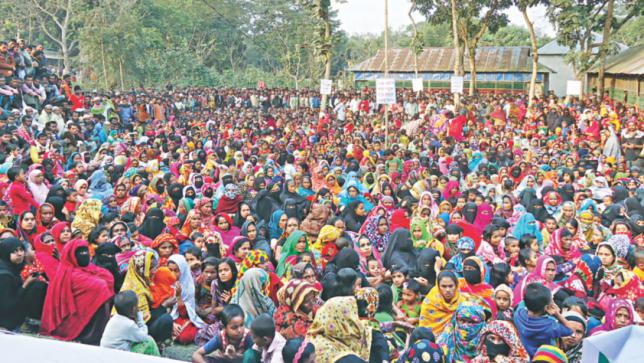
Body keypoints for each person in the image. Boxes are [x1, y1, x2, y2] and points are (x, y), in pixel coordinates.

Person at [40, 239, 114, 344]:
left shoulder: (90, 268)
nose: (84, 254)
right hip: (72, 322)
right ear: (72, 255)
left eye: (86, 251)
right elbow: (99, 286)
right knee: (101, 288)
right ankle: (90, 333)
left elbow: (107, 277)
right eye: (80, 252)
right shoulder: (67, 274)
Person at [513, 282, 574, 358]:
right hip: (543, 358)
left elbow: (525, 301)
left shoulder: (518, 314)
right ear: (547, 308)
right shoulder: (549, 326)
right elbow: (570, 329)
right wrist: (557, 314)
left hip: (526, 357)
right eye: (552, 300)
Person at [0, 237, 47, 330]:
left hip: (13, 312)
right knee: (37, 287)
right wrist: (26, 284)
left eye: (21, 250)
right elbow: (8, 304)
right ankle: (29, 324)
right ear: (5, 252)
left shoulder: (14, 268)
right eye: (14, 251)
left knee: (40, 286)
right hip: (5, 319)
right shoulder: (4, 275)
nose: (19, 254)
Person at [307, 296, 372, 363]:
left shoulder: (311, 341)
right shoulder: (344, 358)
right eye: (354, 318)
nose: (359, 323)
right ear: (342, 323)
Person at [100, 290, 160, 356]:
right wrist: (140, 319)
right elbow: (144, 337)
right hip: (117, 357)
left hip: (106, 353)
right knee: (149, 341)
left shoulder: (115, 318)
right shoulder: (129, 325)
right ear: (134, 309)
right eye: (137, 305)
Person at [419, 270, 464, 335]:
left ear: (456, 286)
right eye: (444, 286)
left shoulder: (463, 302)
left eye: (451, 286)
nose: (448, 290)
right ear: (438, 286)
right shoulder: (430, 303)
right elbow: (423, 329)